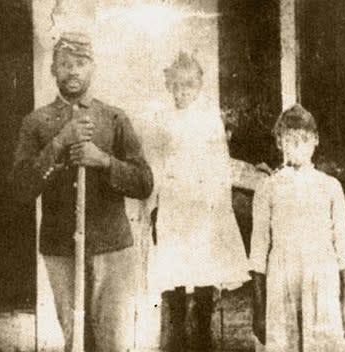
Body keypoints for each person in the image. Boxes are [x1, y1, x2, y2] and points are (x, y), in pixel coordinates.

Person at [12, 32, 153, 352]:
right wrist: (60, 141)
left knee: (111, 341)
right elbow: (21, 188)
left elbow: (144, 183)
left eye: (80, 64)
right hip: (61, 246)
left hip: (111, 245)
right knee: (75, 340)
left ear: (93, 69)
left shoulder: (114, 119)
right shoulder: (36, 123)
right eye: (64, 64)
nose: (72, 71)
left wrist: (102, 161)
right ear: (53, 70)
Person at [140, 51, 252, 351]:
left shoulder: (208, 119)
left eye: (188, 86)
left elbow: (219, 165)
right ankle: (175, 337)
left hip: (202, 205)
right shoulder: (162, 119)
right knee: (173, 275)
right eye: (176, 86)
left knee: (203, 273)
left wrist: (218, 209)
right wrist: (154, 204)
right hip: (173, 206)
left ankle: (203, 336)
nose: (181, 92)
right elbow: (156, 164)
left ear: (198, 87)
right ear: (169, 87)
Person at [250, 104, 345, 352]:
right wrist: (258, 309)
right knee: (285, 342)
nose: (297, 146)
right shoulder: (268, 188)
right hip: (282, 278)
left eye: (304, 139)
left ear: (315, 140)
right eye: (289, 139)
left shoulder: (330, 187)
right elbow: (258, 251)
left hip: (321, 275)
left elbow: (344, 246)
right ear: (279, 142)